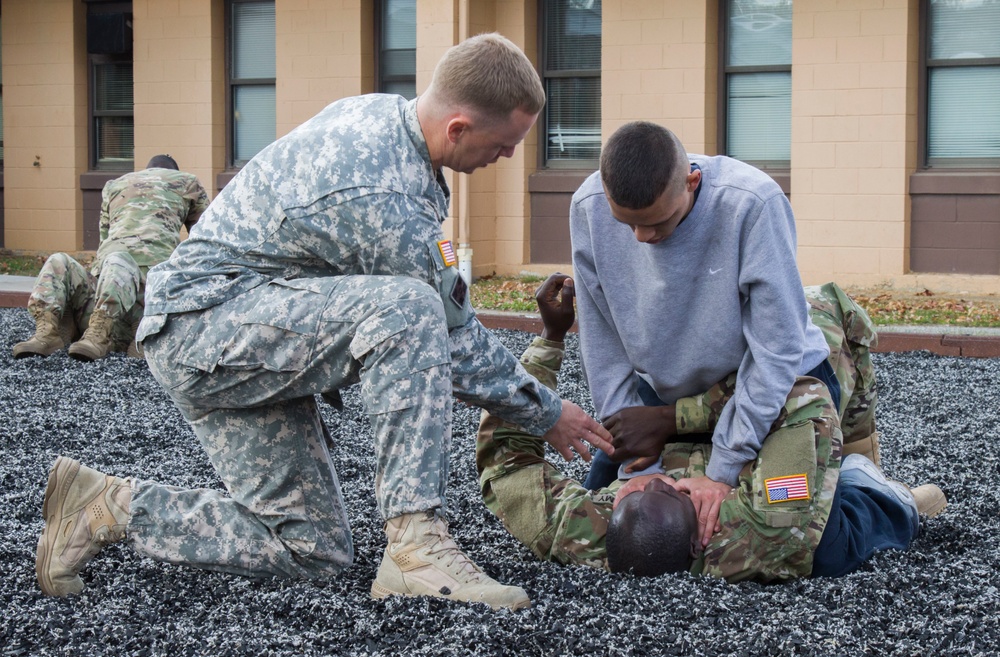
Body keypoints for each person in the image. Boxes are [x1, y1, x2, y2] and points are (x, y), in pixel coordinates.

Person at [35, 34, 612, 611]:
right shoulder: (376, 188)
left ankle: (102, 506)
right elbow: (450, 333)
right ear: (458, 127)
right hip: (206, 326)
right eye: (505, 143)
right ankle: (416, 545)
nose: (508, 156)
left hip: (251, 329)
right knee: (408, 309)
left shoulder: (388, 118)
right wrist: (546, 410)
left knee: (312, 549)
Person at [476, 274, 948, 581]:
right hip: (810, 509)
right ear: (704, 532)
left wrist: (551, 338)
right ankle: (893, 494)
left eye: (635, 490)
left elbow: (503, 464)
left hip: (665, 506)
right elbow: (800, 395)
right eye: (673, 489)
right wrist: (680, 424)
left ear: (609, 514)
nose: (664, 477)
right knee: (836, 533)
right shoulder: (771, 519)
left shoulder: (579, 532)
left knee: (616, 452)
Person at [570, 121, 838, 548]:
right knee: (605, 529)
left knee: (800, 538)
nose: (642, 238)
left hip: (783, 392)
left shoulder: (751, 203)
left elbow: (777, 348)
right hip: (667, 398)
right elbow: (603, 343)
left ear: (692, 183)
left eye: (658, 223)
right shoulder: (587, 207)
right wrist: (640, 469)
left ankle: (874, 492)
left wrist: (723, 470)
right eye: (627, 225)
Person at [12, 155, 208, 361]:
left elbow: (103, 242)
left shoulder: (114, 185)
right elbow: (204, 242)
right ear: (174, 171)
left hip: (99, 298)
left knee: (59, 261)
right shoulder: (188, 181)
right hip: (143, 307)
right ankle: (94, 335)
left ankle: (47, 333)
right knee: (119, 261)